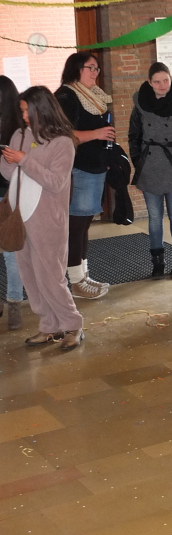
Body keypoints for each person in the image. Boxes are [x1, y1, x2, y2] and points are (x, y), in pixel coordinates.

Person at [0, 87, 84, 350]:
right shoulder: (19, 135)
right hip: (19, 217)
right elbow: (9, 175)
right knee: (30, 276)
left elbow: (56, 182)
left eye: (27, 110)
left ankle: (73, 325)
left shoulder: (63, 142)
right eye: (22, 111)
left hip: (48, 220)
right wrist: (9, 160)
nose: (24, 116)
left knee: (50, 276)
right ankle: (49, 326)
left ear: (42, 109)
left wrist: (25, 160)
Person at [55, 52, 114, 300]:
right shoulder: (66, 95)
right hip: (79, 168)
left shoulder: (94, 96)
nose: (95, 73)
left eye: (97, 68)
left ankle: (84, 275)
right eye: (91, 67)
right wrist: (97, 134)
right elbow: (62, 135)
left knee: (85, 224)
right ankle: (76, 281)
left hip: (94, 166)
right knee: (76, 225)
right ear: (76, 69)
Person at [129, 62, 172, 280]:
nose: (162, 85)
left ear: (171, 78)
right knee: (155, 216)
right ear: (149, 82)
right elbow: (134, 135)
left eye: (165, 80)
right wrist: (138, 161)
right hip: (150, 165)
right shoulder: (140, 103)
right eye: (156, 81)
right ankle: (157, 263)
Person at [0, 75, 25, 331]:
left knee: (11, 251)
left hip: (7, 195)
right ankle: (11, 302)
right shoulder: (18, 125)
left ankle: (14, 302)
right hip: (9, 193)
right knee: (11, 252)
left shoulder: (18, 128)